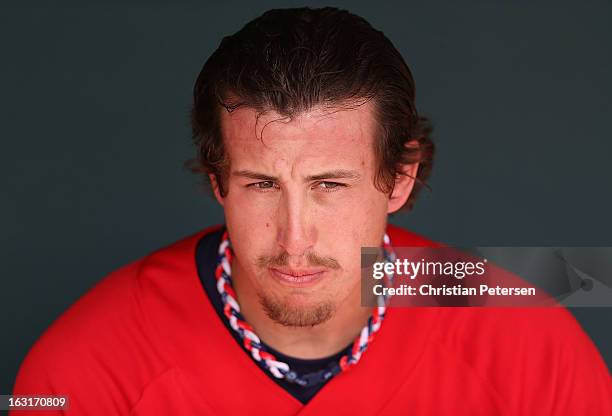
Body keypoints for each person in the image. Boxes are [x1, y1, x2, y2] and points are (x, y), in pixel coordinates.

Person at [11, 7, 611, 415]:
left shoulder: (532, 343)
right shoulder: (75, 373)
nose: (294, 240)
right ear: (218, 181)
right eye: (261, 185)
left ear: (399, 178)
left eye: (330, 184)